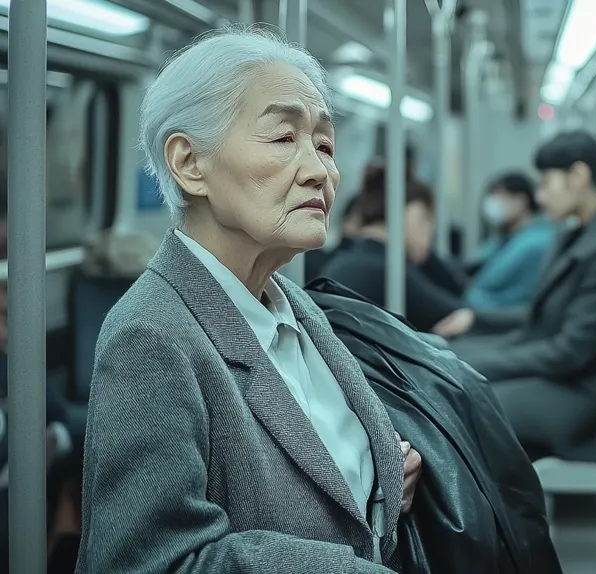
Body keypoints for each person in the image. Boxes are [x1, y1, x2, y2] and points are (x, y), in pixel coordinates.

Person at [76, 27, 422, 573]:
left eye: (324, 144)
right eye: (284, 138)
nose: (320, 171)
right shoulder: (151, 340)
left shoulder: (291, 305)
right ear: (190, 163)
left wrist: (381, 478)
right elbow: (155, 563)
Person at [434, 130, 596, 464]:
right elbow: (548, 315)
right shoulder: (579, 233)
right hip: (564, 376)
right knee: (451, 362)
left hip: (588, 396)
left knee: (461, 398)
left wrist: (475, 365)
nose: (540, 196)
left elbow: (569, 352)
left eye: (547, 183)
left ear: (579, 176)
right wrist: (478, 319)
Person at [319, 167, 463, 332]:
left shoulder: (347, 260)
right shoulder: (384, 269)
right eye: (424, 219)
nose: (430, 231)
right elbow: (456, 311)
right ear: (405, 214)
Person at [464, 172, 556, 310]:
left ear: (521, 200)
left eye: (500, 195)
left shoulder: (535, 243)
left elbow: (492, 284)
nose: (494, 202)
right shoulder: (507, 238)